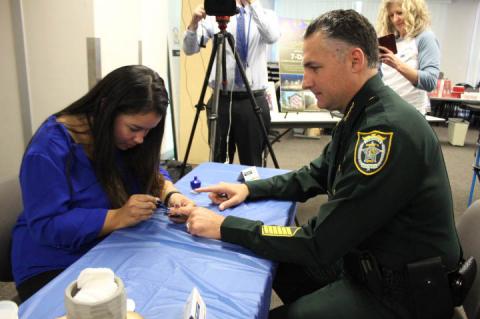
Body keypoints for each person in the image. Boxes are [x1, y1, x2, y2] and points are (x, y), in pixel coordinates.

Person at [177, 10, 462, 318]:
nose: (305, 82)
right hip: (367, 262)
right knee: (272, 260)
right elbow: (312, 175)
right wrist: (248, 189)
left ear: (355, 60)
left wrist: (225, 226)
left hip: (402, 295)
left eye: (314, 68)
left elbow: (318, 242)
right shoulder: (361, 112)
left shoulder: (385, 131)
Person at [11, 65, 195, 301]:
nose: (140, 139)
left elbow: (150, 171)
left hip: (108, 244)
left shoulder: (122, 140)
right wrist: (117, 217)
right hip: (51, 261)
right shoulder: (49, 149)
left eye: (148, 131)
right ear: (106, 107)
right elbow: (47, 226)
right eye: (134, 128)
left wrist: (172, 195)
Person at [183, 0, 280, 166]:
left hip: (252, 101)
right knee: (219, 160)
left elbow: (271, 37)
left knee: (252, 162)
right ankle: (218, 191)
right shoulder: (214, 15)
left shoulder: (265, 15)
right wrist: (193, 24)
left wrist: (252, 5)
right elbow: (190, 49)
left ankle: (250, 191)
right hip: (221, 100)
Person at [377, 0, 440, 115]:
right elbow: (382, 79)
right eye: (391, 15)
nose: (396, 19)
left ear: (413, 12)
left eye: (400, 13)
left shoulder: (425, 38)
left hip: (412, 114)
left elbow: (430, 82)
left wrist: (397, 64)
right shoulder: (389, 41)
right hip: (387, 110)